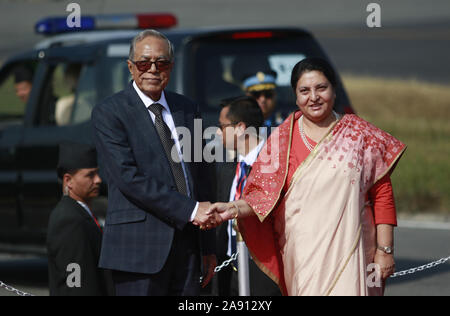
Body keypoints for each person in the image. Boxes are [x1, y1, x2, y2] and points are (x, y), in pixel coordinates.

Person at [208, 57, 406, 296]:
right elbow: (261, 195)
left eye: (321, 88)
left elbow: (382, 193)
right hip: (302, 256)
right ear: (295, 96)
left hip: (353, 251)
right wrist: (232, 208)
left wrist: (385, 250)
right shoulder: (282, 139)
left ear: (334, 90)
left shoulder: (360, 135)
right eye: (304, 91)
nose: (313, 97)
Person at [91, 29, 218, 296]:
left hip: (188, 247)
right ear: (130, 66)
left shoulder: (187, 108)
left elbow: (201, 175)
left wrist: (207, 247)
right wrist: (190, 209)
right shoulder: (110, 113)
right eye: (143, 63)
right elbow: (128, 178)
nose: (152, 69)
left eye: (161, 63)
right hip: (139, 250)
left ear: (171, 67)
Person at [215, 96, 281, 296]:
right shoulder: (227, 169)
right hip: (229, 267)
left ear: (240, 128)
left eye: (222, 126)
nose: (218, 132)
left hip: (264, 267)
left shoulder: (274, 166)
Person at [47, 142, 114, 296]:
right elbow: (74, 282)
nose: (98, 180)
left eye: (97, 173)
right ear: (68, 180)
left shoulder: (79, 211)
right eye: (90, 175)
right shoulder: (69, 220)